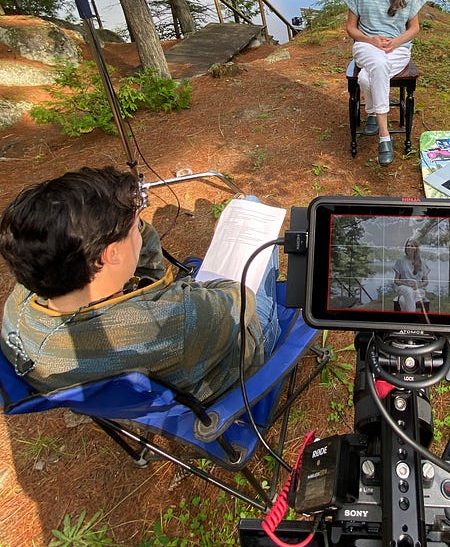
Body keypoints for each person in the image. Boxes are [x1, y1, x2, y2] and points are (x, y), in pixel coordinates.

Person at [0, 166, 280, 402]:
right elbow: (238, 297)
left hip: (140, 388)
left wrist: (121, 225)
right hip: (226, 367)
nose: (140, 228)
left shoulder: (19, 309)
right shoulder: (173, 319)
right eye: (136, 226)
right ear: (111, 254)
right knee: (251, 206)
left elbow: (141, 268)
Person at [345, 0, 425, 166]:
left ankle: (371, 113)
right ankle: (384, 135)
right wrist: (370, 39)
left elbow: (414, 28)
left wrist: (395, 42)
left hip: (398, 48)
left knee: (368, 78)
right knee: (377, 63)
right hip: (366, 45)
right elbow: (350, 28)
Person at [393, 238, 430, 313]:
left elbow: (426, 282)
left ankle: (406, 322)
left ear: (415, 249)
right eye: (407, 245)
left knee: (403, 301)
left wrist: (417, 285)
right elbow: (396, 280)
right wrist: (406, 284)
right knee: (409, 291)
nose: (408, 247)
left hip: (418, 290)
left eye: (411, 246)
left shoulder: (421, 262)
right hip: (403, 288)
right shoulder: (400, 261)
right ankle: (413, 319)